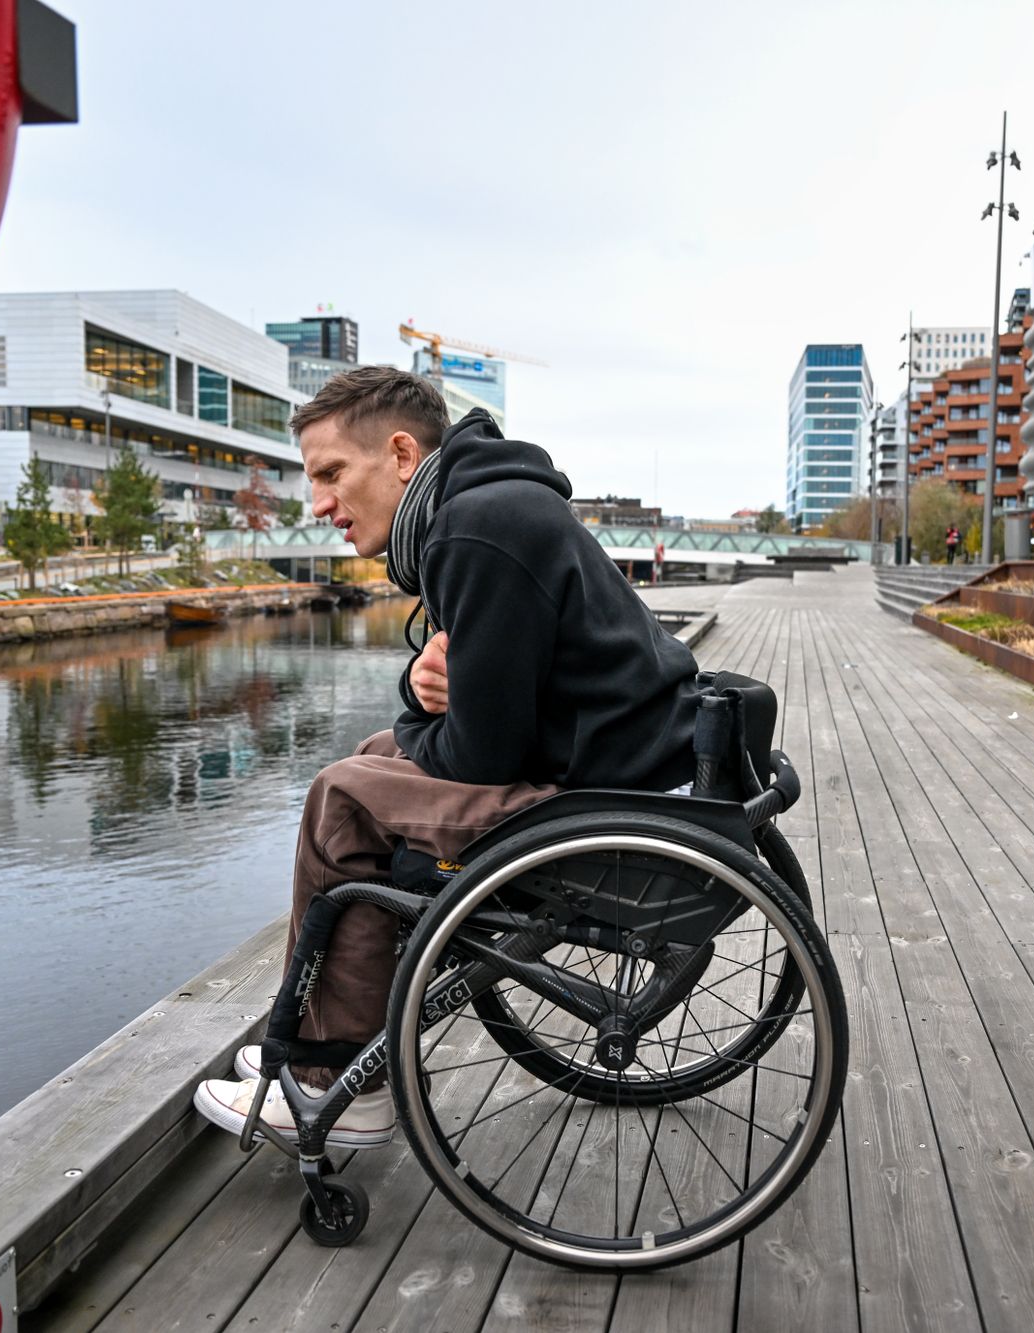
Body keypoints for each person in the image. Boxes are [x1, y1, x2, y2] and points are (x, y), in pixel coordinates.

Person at [193, 367, 702, 1146]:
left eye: (332, 473)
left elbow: (482, 753)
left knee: (344, 795)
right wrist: (430, 696)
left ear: (401, 453)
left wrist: (432, 704)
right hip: (625, 760)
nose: (320, 503)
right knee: (374, 751)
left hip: (597, 800)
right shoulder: (487, 508)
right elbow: (466, 715)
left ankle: (338, 1077)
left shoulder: (473, 529)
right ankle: (348, 1023)